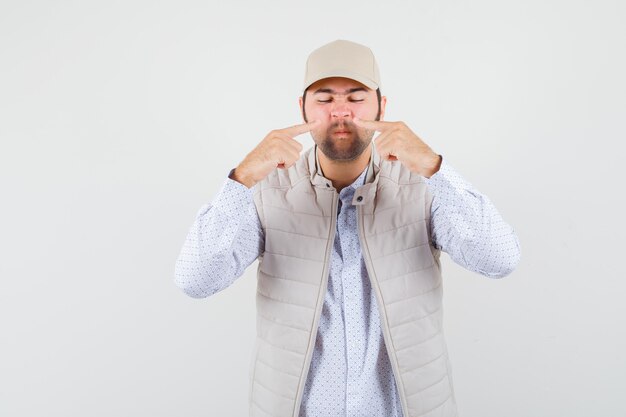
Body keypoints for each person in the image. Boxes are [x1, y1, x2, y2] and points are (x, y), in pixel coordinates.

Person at [174, 39, 521, 417]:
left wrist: (435, 167)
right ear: (302, 109)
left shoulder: (422, 185)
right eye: (324, 99)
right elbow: (196, 279)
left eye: (356, 97)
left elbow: (500, 258)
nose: (341, 111)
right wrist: (240, 180)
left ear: (382, 107)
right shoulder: (266, 190)